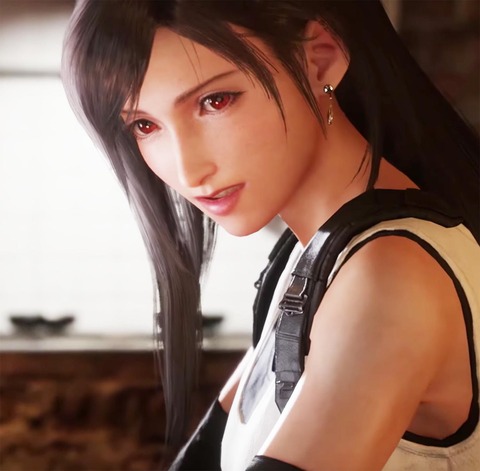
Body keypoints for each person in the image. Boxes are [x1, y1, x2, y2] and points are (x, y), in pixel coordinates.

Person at [62, 1, 480, 469]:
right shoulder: (306, 258)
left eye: (215, 101)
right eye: (145, 125)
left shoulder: (390, 277)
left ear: (320, 58)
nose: (188, 169)